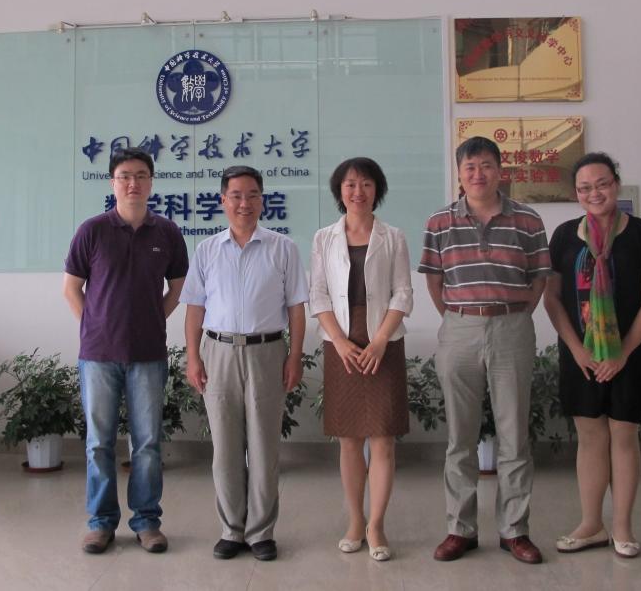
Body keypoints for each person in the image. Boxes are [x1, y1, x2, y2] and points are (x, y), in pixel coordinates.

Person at [419, 136, 551, 564]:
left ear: (500, 170)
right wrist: (460, 316)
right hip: (459, 329)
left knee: (514, 436)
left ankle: (515, 530)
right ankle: (460, 529)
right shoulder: (440, 222)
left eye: (486, 165)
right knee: (460, 437)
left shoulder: (527, 219)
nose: (478, 174)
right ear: (459, 173)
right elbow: (434, 281)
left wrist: (514, 314)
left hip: (512, 327)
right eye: (470, 167)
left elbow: (538, 278)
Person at [63, 147, 189, 554]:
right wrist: (94, 326)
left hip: (148, 354)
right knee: (99, 443)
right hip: (98, 356)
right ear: (112, 183)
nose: (133, 183)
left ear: (151, 182)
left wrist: (153, 318)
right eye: (124, 176)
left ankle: (147, 521)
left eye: (140, 176)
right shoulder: (92, 231)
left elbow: (179, 288)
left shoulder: (167, 232)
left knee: (147, 443)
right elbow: (71, 288)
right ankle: (100, 522)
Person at [180, 165, 309, 562]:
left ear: (262, 200)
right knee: (225, 448)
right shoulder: (207, 250)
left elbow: (297, 308)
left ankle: (261, 532)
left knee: (265, 446)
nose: (244, 203)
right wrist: (193, 357)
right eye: (236, 195)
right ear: (223, 200)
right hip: (218, 352)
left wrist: (294, 356)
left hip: (267, 352)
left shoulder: (283, 247)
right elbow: (195, 309)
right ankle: (231, 530)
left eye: (252, 195)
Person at [543, 152, 641, 559]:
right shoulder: (564, 236)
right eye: (584, 188)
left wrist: (622, 353)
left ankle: (622, 527)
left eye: (601, 184)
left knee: (623, 436)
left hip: (629, 354)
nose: (594, 193)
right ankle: (591, 524)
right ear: (575, 193)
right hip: (580, 355)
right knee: (590, 438)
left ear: (616, 184)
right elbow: (553, 299)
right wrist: (578, 349)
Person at [309, 157, 413, 562]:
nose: (358, 192)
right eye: (350, 184)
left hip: (383, 341)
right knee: (349, 438)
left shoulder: (394, 237)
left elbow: (403, 293)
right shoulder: (324, 238)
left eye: (366, 184)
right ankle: (355, 520)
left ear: (377, 190)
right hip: (342, 343)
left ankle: (377, 525)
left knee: (383, 438)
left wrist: (381, 340)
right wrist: (338, 340)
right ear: (340, 191)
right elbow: (318, 294)